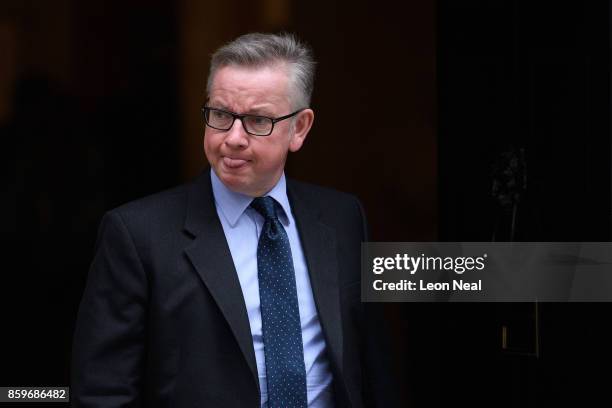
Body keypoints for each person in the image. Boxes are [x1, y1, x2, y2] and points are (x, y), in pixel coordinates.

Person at [71, 32, 396, 407]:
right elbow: (102, 394)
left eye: (258, 120)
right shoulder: (137, 235)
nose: (234, 137)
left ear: (300, 128)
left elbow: (375, 368)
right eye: (221, 115)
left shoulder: (343, 219)